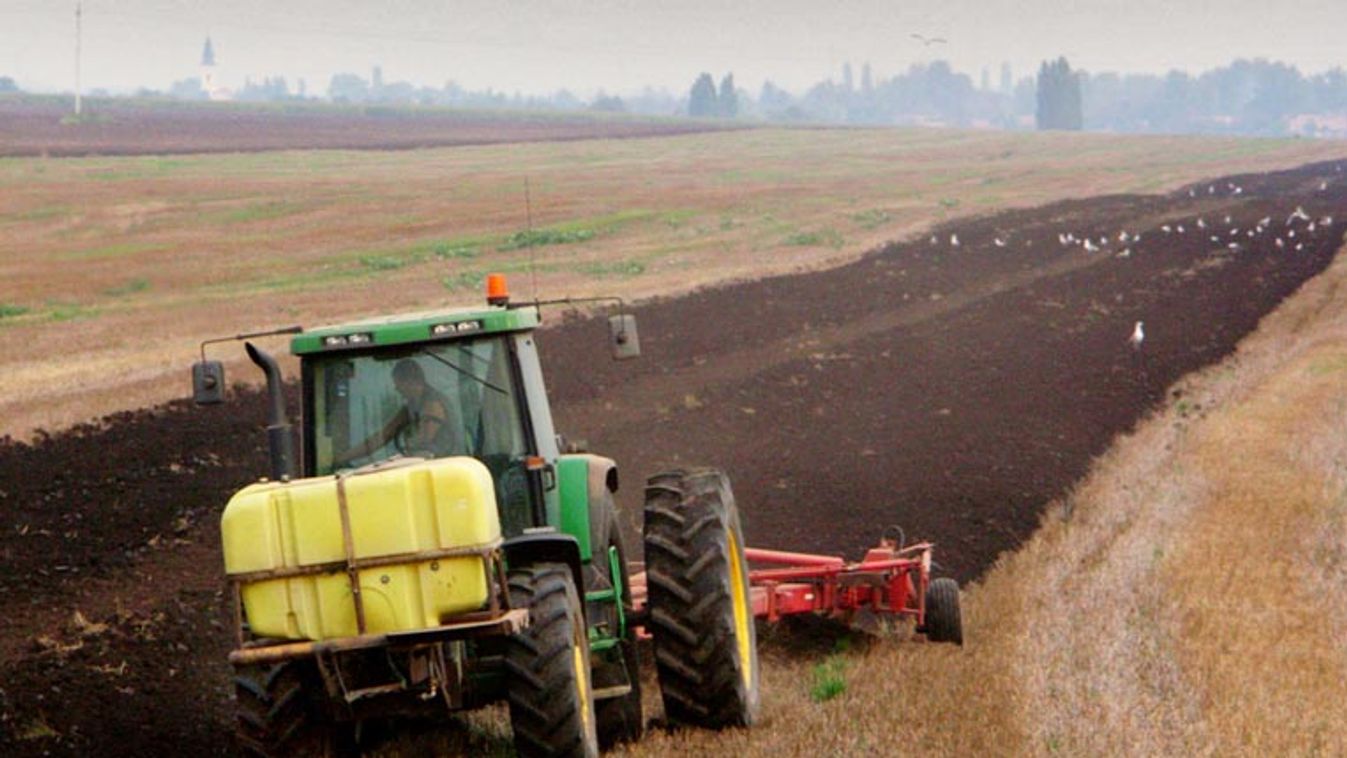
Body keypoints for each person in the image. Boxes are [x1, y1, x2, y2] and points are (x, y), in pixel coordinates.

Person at [336, 359, 457, 465]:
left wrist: (404, 449)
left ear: (410, 381)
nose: (396, 389)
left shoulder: (433, 404)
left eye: (398, 384)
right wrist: (344, 457)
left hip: (443, 466)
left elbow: (424, 440)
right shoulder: (412, 405)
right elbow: (384, 435)